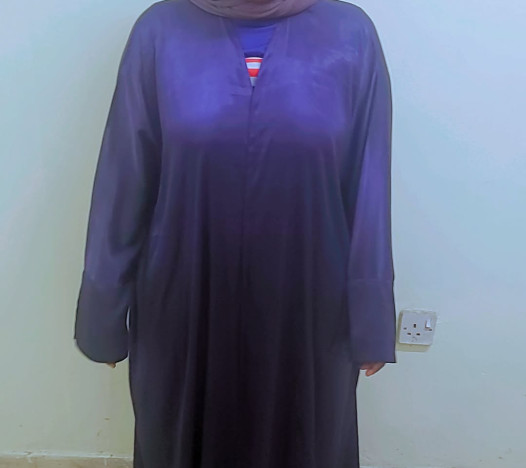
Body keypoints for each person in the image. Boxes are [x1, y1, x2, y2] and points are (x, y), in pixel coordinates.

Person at [73, 0, 397, 466]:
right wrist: (104, 312)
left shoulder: (350, 35)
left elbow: (369, 184)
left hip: (309, 304)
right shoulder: (160, 32)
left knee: (304, 440)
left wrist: (370, 317)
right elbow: (124, 177)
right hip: (184, 299)